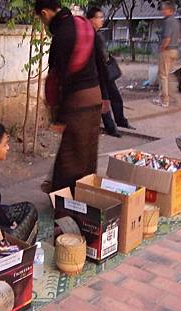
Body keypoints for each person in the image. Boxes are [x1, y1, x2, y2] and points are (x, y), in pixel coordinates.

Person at [36, 0, 106, 192]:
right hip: (95, 97)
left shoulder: (61, 35)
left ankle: (65, 198)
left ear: (44, 13)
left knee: (70, 155)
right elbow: (101, 64)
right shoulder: (84, 25)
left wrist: (59, 116)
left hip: (77, 102)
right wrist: (105, 97)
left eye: (42, 20)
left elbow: (59, 78)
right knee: (88, 152)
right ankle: (85, 193)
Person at [86, 6, 136, 137]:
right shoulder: (89, 36)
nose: (102, 20)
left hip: (106, 72)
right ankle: (111, 128)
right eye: (99, 17)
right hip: (98, 74)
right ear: (91, 19)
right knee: (105, 100)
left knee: (115, 97)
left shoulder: (97, 34)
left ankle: (121, 121)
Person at [153, 1, 181, 108]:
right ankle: (171, 96)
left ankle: (165, 100)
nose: (162, 11)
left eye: (164, 9)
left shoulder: (168, 21)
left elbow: (167, 38)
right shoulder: (176, 22)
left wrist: (162, 49)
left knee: (163, 75)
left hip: (167, 50)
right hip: (175, 50)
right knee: (169, 75)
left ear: (170, 10)